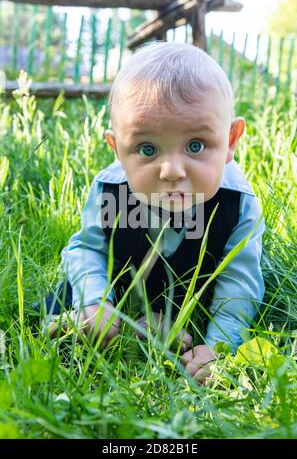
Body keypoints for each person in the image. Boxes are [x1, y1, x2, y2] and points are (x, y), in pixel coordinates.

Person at [40, 42, 264, 382]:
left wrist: (221, 344)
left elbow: (239, 282)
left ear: (231, 140)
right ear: (117, 149)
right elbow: (87, 249)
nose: (172, 170)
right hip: (127, 279)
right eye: (147, 148)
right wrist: (95, 301)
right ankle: (82, 322)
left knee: (203, 314)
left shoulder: (238, 203)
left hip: (195, 283)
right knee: (64, 297)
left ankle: (162, 326)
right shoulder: (109, 190)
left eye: (196, 146)